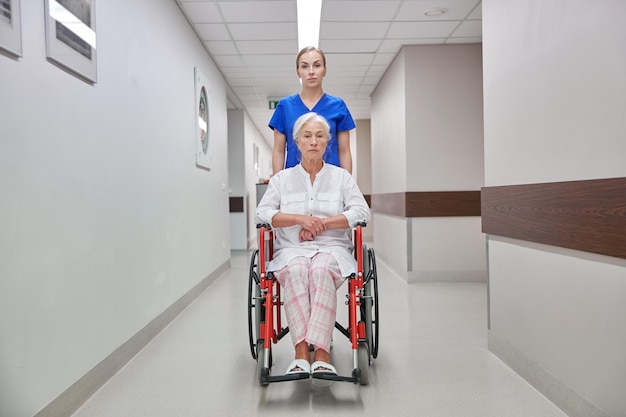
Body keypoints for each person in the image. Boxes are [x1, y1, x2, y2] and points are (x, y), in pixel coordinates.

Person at [255, 112, 370, 379]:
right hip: (291, 251)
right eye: (307, 136)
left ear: (328, 142)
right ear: (297, 142)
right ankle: (300, 353)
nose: (313, 141)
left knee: (319, 271)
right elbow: (262, 213)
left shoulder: (341, 177)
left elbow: (361, 212)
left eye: (320, 136)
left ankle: (322, 354)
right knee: (297, 271)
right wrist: (298, 219)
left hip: (332, 249)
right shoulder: (282, 179)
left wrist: (324, 224)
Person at [269, 46, 356, 174]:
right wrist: (277, 186)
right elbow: (278, 150)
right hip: (294, 182)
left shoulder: (338, 106)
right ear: (298, 72)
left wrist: (347, 185)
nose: (311, 71)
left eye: (317, 65)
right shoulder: (285, 106)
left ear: (325, 70)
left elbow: (344, 151)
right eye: (304, 66)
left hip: (331, 182)